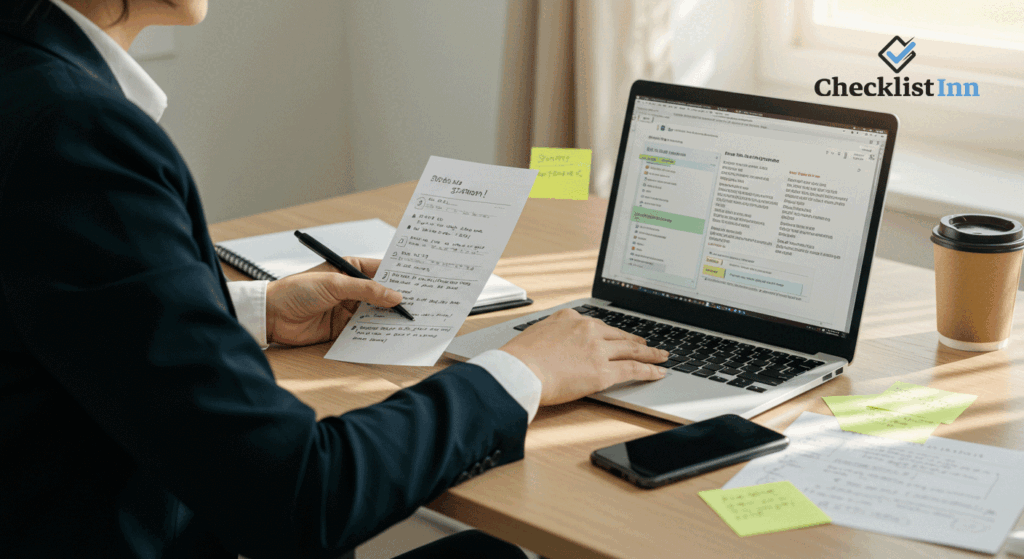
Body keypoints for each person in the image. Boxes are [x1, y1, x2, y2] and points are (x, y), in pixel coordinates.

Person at [0, 1, 671, 558]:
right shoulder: (75, 130)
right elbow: (298, 493)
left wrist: (254, 310)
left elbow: (59, 306)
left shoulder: (27, 79)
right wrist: (521, 371)